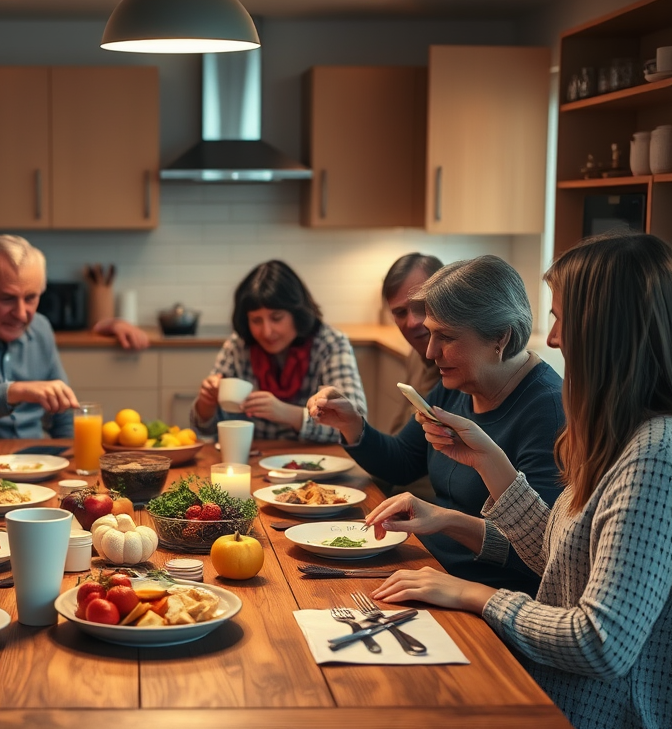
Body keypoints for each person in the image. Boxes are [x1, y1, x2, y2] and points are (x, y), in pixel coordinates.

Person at [366, 233, 672, 729]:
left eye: (559, 319)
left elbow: (600, 643)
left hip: (588, 713)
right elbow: (557, 557)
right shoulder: (617, 432)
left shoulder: (655, 455)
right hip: (546, 683)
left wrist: (473, 595)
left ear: (605, 329)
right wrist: (487, 458)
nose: (551, 338)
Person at [307, 255, 564, 595]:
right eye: (430, 334)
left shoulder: (549, 410)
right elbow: (402, 462)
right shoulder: (456, 384)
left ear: (500, 338)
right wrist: (353, 424)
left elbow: (538, 552)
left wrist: (446, 519)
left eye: (446, 337)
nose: (430, 352)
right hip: (428, 566)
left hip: (481, 593)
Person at [0, 234, 148, 446]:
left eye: (31, 298)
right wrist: (15, 391)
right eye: (7, 298)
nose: (22, 313)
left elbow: (63, 414)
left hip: (35, 464)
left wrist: (74, 460)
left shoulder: (40, 327)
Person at [190, 260, 367, 443]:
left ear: (297, 314)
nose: (266, 332)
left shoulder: (330, 344)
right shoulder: (239, 345)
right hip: (253, 460)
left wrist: (289, 414)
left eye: (276, 318)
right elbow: (204, 429)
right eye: (256, 321)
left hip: (316, 461)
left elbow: (357, 425)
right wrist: (206, 404)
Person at [382, 252, 443, 434]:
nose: (412, 322)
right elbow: (399, 434)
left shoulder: (466, 369)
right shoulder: (415, 356)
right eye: (400, 312)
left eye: (421, 306)